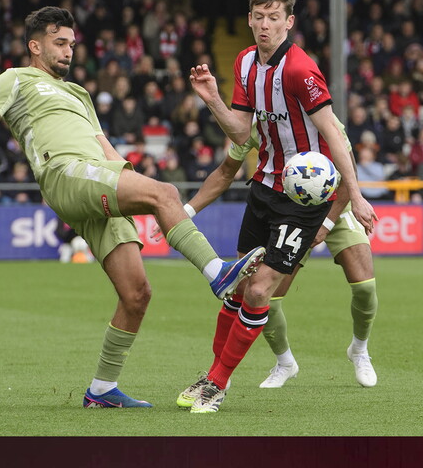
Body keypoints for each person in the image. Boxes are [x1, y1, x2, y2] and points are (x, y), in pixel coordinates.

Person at [0, 6, 266, 409]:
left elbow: (106, 149)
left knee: (137, 293)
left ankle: (102, 389)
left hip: (98, 174)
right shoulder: (14, 79)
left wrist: (138, 185)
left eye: (72, 44)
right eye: (59, 43)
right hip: (65, 171)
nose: (69, 51)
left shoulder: (79, 93)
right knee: (166, 192)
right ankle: (217, 274)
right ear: (35, 46)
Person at [180, 0, 378, 413]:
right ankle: (214, 378)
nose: (265, 24)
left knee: (261, 290)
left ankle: (216, 383)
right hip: (265, 187)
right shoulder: (246, 62)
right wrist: (213, 97)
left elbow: (333, 136)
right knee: (238, 288)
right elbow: (241, 133)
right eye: (258, 16)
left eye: (274, 18)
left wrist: (356, 196)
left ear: (289, 23)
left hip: (306, 198)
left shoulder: (300, 69)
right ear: (249, 19)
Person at [154, 119, 380, 398]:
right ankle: (284, 362)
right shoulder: (257, 125)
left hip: (336, 210)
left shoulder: (324, 120)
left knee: (365, 286)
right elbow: (225, 172)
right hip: (289, 213)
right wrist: (183, 212)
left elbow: (349, 177)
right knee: (264, 296)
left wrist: (327, 225)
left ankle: (359, 349)